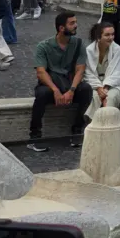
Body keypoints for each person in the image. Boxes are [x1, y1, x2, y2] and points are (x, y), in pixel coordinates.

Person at [28, 12, 92, 152]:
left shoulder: (79, 44)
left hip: (69, 85)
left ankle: (76, 131)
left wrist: (72, 90)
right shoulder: (43, 46)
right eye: (72, 23)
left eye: (75, 22)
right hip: (52, 85)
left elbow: (80, 70)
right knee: (41, 94)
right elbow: (41, 72)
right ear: (61, 28)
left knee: (86, 89)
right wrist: (56, 90)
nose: (76, 25)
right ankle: (35, 136)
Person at [83, 22, 120, 122]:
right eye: (107, 35)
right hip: (94, 84)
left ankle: (108, 124)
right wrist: (98, 87)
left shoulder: (117, 49)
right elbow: (87, 73)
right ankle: (92, 124)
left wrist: (105, 88)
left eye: (112, 34)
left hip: (113, 85)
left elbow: (117, 73)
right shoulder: (89, 50)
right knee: (94, 97)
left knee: (110, 97)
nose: (111, 37)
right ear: (98, 37)